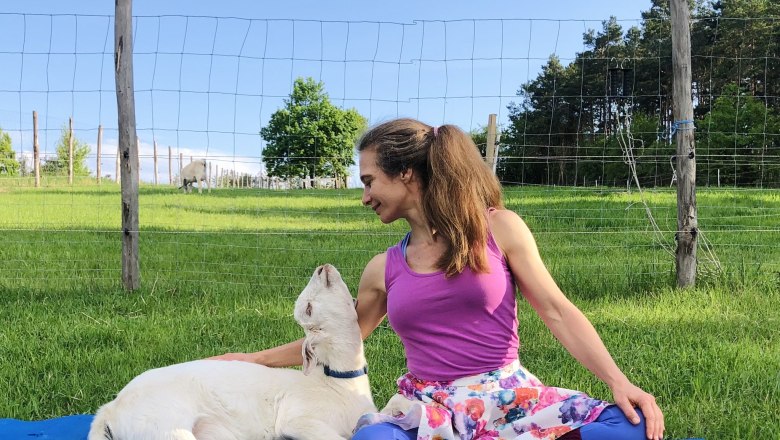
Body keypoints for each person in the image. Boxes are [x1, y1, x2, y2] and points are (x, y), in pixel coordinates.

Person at [212, 118, 664, 440]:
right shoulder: (382, 268)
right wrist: (252, 359)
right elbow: (339, 345)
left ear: (405, 173)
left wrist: (619, 383)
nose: (364, 196)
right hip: (429, 407)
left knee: (631, 428)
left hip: (508, 394)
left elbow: (558, 311)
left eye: (370, 181)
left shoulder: (499, 229)